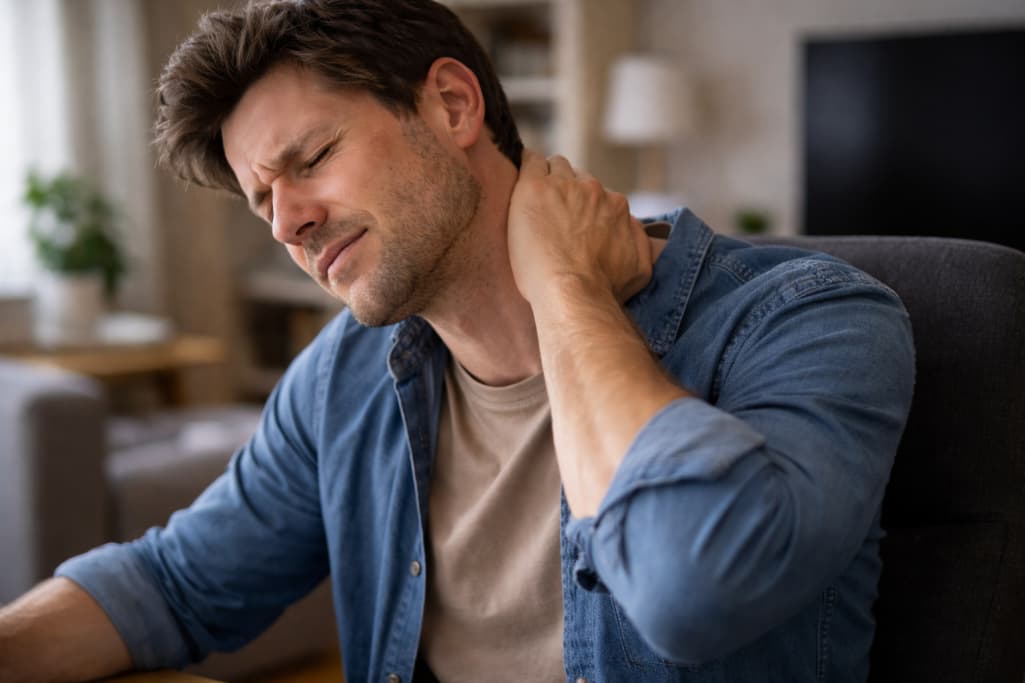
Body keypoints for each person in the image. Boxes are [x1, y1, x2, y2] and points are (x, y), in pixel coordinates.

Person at [0, 1, 915, 682]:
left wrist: (562, 289)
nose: (289, 224)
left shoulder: (805, 318)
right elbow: (174, 582)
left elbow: (693, 586)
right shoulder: (343, 375)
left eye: (311, 161)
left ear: (449, 103)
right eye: (262, 199)